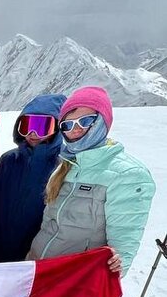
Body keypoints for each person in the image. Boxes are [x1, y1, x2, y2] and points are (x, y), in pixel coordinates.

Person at [28, 86, 155, 276]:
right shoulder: (66, 166)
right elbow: (49, 226)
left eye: (85, 121)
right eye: (68, 125)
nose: (75, 129)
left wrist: (97, 287)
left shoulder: (127, 175)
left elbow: (121, 253)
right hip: (39, 269)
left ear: (102, 121)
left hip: (74, 282)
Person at [0, 93, 65, 263]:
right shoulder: (9, 160)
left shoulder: (63, 166)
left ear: (57, 128)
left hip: (36, 259)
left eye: (41, 126)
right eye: (26, 126)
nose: (32, 133)